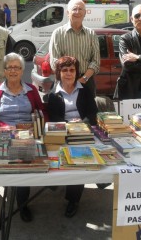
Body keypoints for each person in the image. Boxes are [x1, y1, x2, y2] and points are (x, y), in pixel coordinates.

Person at [0, 52, 47, 222]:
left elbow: (42, 112)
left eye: (16, 67)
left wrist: (36, 126)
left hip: (27, 134)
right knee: (14, 162)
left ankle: (22, 203)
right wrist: (5, 127)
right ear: (4, 71)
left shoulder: (31, 90)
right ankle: (18, 197)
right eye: (9, 67)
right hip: (4, 134)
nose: (13, 70)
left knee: (25, 163)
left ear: (22, 70)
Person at [47, 56, 98, 218]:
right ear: (58, 73)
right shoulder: (54, 95)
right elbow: (54, 118)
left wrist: (81, 125)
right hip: (63, 132)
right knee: (58, 157)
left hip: (83, 131)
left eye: (72, 70)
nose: (69, 73)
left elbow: (92, 114)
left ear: (76, 72)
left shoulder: (85, 90)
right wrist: (69, 126)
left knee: (81, 161)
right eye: (64, 70)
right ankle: (56, 184)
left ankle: (73, 200)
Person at [49, 0, 100, 97]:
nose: (77, 12)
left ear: (85, 13)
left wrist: (84, 79)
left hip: (86, 82)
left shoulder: (91, 34)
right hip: (64, 82)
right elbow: (54, 61)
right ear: (68, 13)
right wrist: (69, 78)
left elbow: (96, 61)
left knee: (88, 112)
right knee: (63, 112)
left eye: (80, 9)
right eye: (74, 9)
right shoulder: (58, 33)